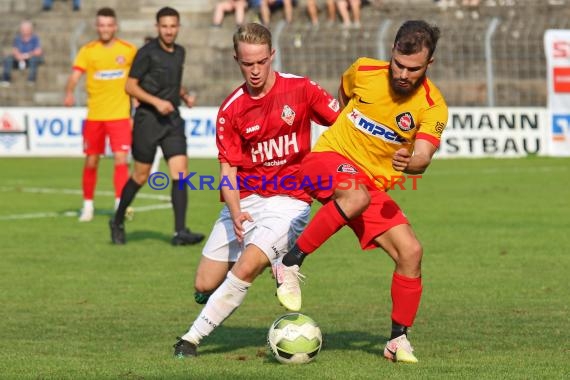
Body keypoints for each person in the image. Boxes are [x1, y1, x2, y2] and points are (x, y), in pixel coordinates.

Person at [274, 20, 448, 363]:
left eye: (413, 69)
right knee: (355, 196)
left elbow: (424, 157)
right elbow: (342, 95)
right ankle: (289, 263)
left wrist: (409, 161)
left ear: (429, 65)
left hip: (368, 186)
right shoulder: (365, 69)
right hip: (327, 160)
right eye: (398, 63)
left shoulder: (433, 106)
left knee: (411, 252)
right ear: (392, 52)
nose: (402, 73)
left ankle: (397, 340)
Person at [172, 22, 340, 358]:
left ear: (271, 55)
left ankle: (190, 339)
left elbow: (342, 123)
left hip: (289, 202)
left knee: (247, 266)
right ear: (237, 59)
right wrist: (235, 212)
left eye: (261, 61)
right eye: (247, 63)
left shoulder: (302, 89)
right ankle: (274, 259)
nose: (255, 70)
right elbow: (228, 169)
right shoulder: (231, 109)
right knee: (204, 283)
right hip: (246, 200)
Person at [109, 7, 205, 246]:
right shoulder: (146, 53)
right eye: (165, 26)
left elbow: (173, 82)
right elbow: (130, 87)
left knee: (181, 174)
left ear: (178, 27)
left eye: (173, 26)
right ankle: (118, 220)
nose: (169, 31)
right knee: (140, 176)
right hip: (148, 120)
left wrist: (184, 96)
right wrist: (156, 102)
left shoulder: (180, 52)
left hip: (172, 119)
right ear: (157, 27)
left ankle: (179, 232)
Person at [64, 7, 137, 222]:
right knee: (91, 161)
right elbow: (75, 75)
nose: (105, 29)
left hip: (120, 115)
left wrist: (137, 104)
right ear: (97, 27)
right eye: (101, 25)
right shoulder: (88, 50)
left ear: (115, 27)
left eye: (109, 25)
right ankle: (88, 206)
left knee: (121, 160)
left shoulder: (129, 50)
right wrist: (69, 92)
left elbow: (136, 79)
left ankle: (119, 206)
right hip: (95, 116)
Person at [1, 20, 43, 87]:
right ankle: (5, 78)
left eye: (25, 29)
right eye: (22, 29)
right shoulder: (17, 38)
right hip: (19, 58)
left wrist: (28, 55)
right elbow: (15, 49)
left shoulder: (35, 38)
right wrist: (18, 56)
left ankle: (31, 79)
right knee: (8, 59)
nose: (23, 31)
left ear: (30, 29)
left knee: (34, 59)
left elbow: (38, 51)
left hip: (31, 58)